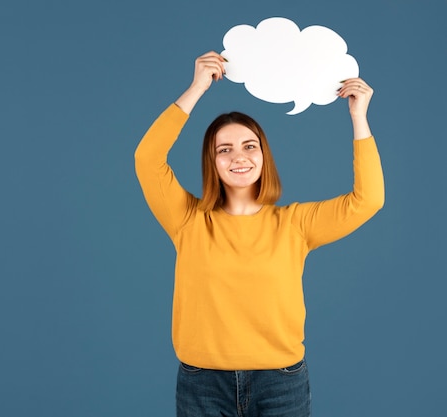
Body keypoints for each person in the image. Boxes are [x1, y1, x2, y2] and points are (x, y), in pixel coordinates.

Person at [134, 51, 384, 417]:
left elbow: (369, 200)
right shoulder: (188, 219)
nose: (239, 157)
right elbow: (147, 159)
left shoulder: (296, 224)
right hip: (203, 382)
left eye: (249, 146)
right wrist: (197, 87)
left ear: (264, 155)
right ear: (212, 162)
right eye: (224, 149)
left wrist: (358, 117)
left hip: (281, 382)